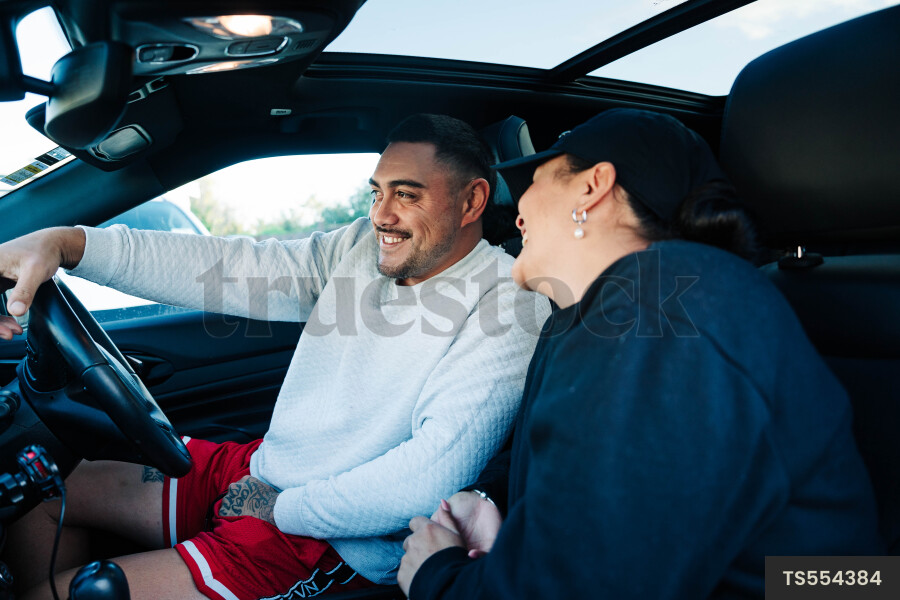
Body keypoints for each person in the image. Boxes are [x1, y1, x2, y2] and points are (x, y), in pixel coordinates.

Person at [0, 114, 550, 600]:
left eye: (406, 195)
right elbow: (233, 267)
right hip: (260, 468)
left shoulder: (508, 297)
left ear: (472, 201)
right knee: (42, 487)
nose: (382, 215)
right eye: (376, 192)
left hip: (330, 538)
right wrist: (68, 244)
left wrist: (281, 508)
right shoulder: (360, 248)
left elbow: (430, 473)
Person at [398, 108, 883, 599]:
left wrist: (438, 577)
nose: (517, 215)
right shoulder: (596, 316)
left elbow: (587, 584)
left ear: (592, 187)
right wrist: (491, 498)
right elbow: (586, 463)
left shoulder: (659, 310)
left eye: (536, 182)